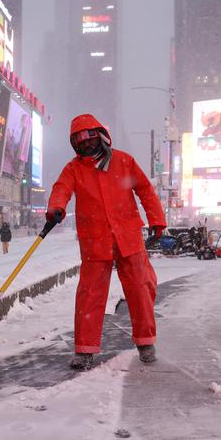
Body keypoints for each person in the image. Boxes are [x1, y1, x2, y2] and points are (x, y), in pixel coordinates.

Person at [46, 113, 165, 370]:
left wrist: (157, 220)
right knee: (90, 295)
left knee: (141, 288)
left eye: (88, 138)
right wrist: (56, 207)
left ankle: (145, 341)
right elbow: (61, 189)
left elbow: (145, 189)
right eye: (78, 141)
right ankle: (85, 349)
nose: (85, 145)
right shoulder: (74, 169)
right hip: (95, 240)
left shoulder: (123, 161)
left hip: (128, 236)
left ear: (99, 136)